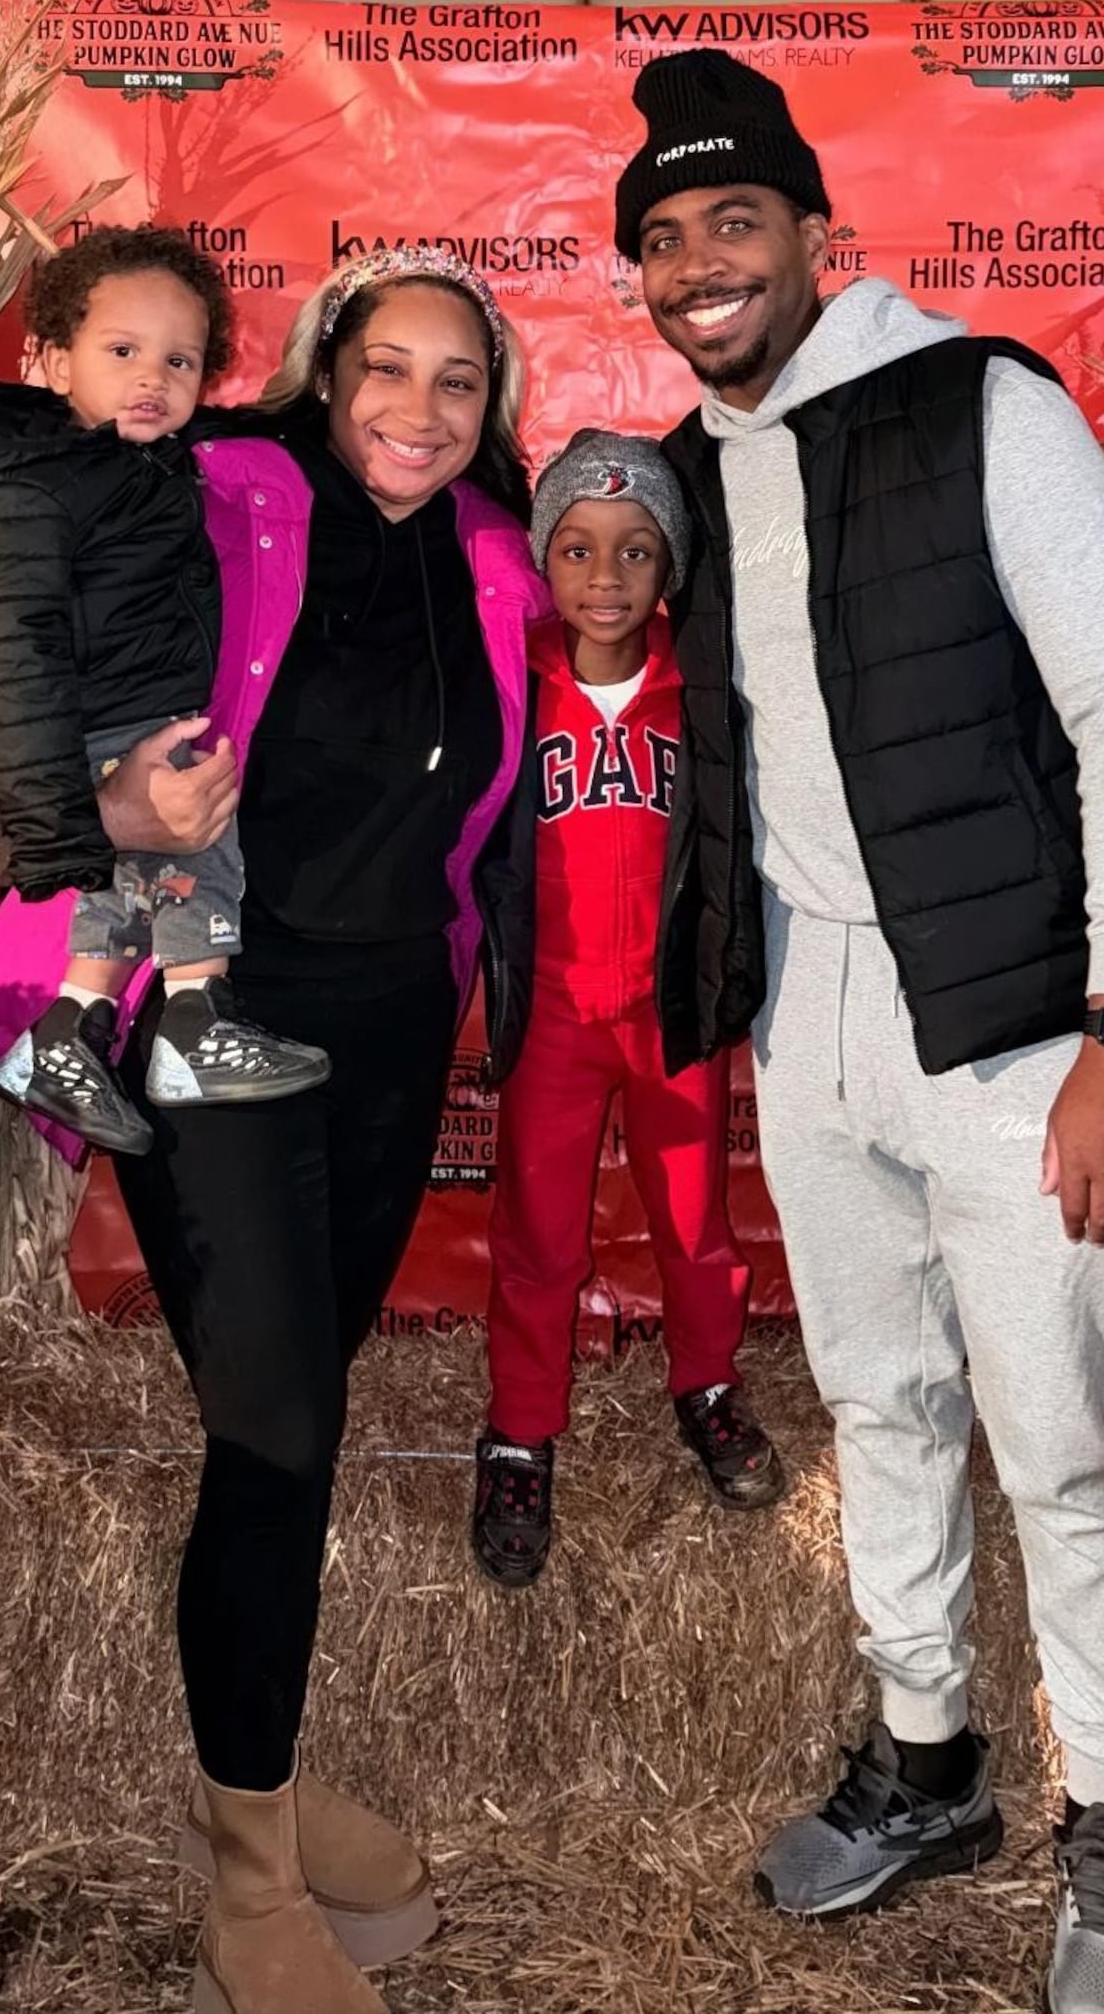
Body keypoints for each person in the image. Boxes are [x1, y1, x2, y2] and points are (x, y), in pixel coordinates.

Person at [617, 49, 1104, 2014]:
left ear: (811, 235)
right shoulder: (686, 472)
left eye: (731, 224)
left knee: (1063, 1445)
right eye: (662, 239)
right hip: (813, 1007)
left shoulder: (979, 404)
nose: (696, 267)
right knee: (879, 1404)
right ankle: (927, 1756)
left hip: (1018, 1021)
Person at [0, 243, 550, 2014]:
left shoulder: (499, 560)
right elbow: (33, 602)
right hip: (211, 999)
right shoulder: (220, 487)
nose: (419, 409)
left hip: (388, 1017)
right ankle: (246, 1874)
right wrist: (101, 796)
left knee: (303, 1404)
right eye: (388, 367)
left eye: (457, 379)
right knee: (274, 1422)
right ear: (321, 368)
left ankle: (255, 1764)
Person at [0, 225, 329, 1160]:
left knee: (146, 889)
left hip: (142, 718)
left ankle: (81, 1032)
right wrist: (64, 827)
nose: (152, 377)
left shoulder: (126, 462)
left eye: (180, 359)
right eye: (122, 352)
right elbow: (12, 656)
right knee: (186, 861)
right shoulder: (19, 485)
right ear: (47, 360)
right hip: (102, 732)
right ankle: (183, 1026)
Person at [472, 428, 781, 1589]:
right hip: (551, 1017)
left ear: (671, 571)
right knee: (538, 1238)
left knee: (695, 1226)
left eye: (637, 552)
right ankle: (518, 1429)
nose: (605, 578)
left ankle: (705, 1383)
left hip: (667, 1016)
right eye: (579, 550)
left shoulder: (695, 692)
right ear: (543, 559)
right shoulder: (515, 678)